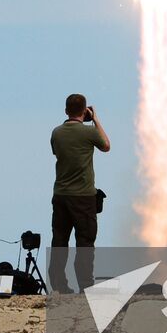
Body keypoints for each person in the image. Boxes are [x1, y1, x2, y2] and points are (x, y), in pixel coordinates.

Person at [50, 93, 110, 293]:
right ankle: (85, 285)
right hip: (83, 197)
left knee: (59, 240)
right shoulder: (88, 133)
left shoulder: (56, 133)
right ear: (84, 111)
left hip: (60, 195)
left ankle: (59, 284)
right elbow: (106, 146)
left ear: (66, 110)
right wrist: (95, 119)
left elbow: (58, 153)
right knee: (85, 242)